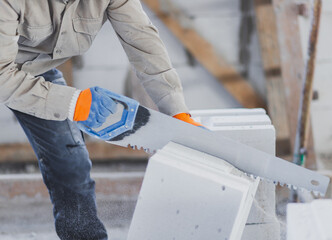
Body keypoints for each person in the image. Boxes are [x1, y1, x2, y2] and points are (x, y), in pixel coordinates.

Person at [0, 0, 201, 239]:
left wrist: (176, 111)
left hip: (34, 73)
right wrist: (75, 103)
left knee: (70, 161)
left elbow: (143, 42)